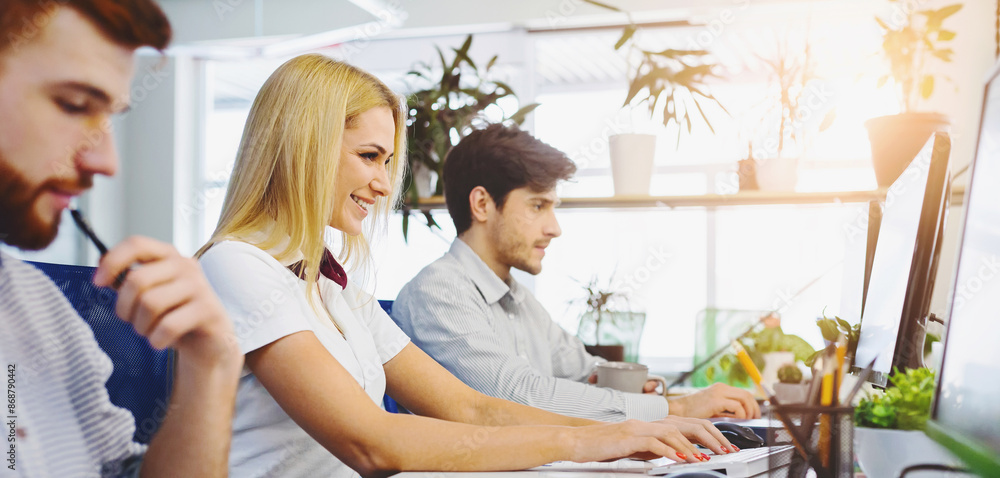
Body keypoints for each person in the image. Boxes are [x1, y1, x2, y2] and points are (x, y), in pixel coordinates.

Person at [195, 54, 738, 478]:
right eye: (368, 157)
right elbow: (371, 443)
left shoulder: (334, 285)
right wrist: (590, 439)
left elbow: (473, 410)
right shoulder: (239, 267)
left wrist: (628, 433)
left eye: (388, 162)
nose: (385, 185)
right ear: (305, 148)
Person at [0, 1, 243, 476]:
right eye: (74, 105)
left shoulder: (40, 311)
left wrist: (210, 367)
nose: (107, 161)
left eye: (111, 117)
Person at [391, 124, 761, 423]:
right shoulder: (438, 292)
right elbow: (516, 395)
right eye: (538, 206)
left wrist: (647, 389)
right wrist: (675, 409)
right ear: (483, 204)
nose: (554, 227)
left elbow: (585, 371)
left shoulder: (518, 299)